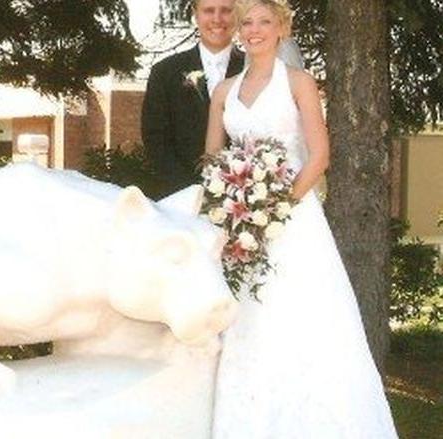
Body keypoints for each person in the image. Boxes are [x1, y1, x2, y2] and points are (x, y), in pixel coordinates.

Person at [204, 0, 399, 437]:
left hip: (293, 221)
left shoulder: (299, 82)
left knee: (299, 319)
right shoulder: (224, 91)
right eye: (247, 22)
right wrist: (233, 205)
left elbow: (320, 156)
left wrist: (273, 207)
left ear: (281, 28)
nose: (254, 30)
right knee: (248, 321)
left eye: (264, 22)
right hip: (240, 229)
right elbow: (212, 159)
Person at [141, 0, 245, 199]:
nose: (217, 18)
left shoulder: (253, 70)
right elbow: (155, 140)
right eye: (208, 10)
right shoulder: (165, 72)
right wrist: (192, 193)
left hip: (244, 197)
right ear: (195, 14)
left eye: (225, 11)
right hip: (180, 197)